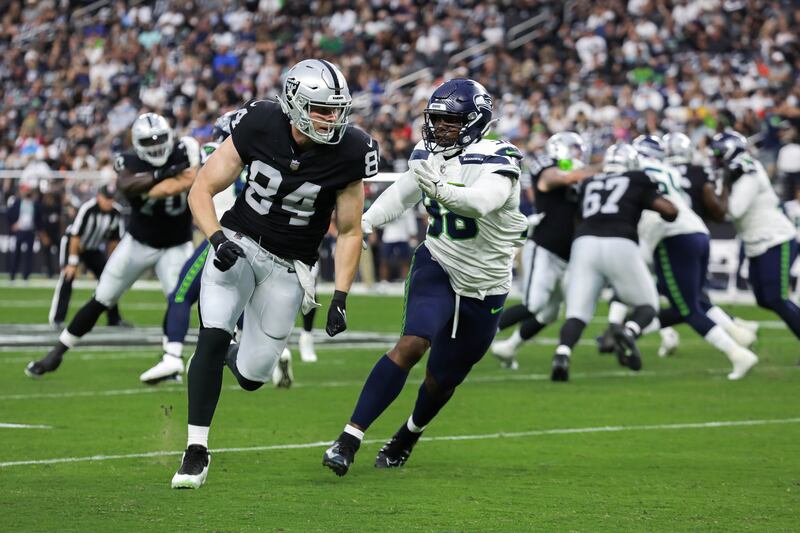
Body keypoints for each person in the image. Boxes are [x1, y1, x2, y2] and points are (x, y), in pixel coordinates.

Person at [171, 59, 377, 489]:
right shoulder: (261, 122)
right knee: (212, 332)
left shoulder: (352, 150)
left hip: (290, 266)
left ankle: (227, 358)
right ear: (295, 104)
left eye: (337, 109)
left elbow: (350, 230)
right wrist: (215, 238)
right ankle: (195, 450)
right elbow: (202, 188)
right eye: (322, 109)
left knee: (251, 377)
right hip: (239, 244)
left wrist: (340, 295)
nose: (332, 118)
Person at [322, 78, 529, 477]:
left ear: (474, 121)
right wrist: (362, 225)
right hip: (439, 263)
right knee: (411, 344)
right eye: (434, 119)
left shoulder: (500, 157)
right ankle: (348, 439)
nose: (438, 129)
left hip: (487, 286)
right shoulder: (429, 154)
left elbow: (480, 205)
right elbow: (401, 194)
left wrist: (436, 185)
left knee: (441, 380)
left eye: (449, 121)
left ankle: (409, 434)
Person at [25, 113, 199, 378]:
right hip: (138, 242)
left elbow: (191, 178)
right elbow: (126, 185)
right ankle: (57, 352)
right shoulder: (128, 160)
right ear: (138, 144)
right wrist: (163, 174)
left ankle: (170, 359)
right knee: (102, 298)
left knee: (179, 300)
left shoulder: (186, 148)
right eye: (149, 141)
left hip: (176, 245)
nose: (155, 145)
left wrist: (156, 180)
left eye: (160, 139)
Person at [632, 135, 758, 379]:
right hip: (698, 233)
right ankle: (736, 332)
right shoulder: (672, 171)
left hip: (671, 236)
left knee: (686, 307)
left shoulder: (640, 172)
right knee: (693, 301)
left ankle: (737, 353)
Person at [550, 143, 677, 382]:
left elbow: (578, 216)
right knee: (648, 306)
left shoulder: (590, 182)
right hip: (621, 242)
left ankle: (562, 353)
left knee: (577, 312)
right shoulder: (637, 178)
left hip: (585, 243)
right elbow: (670, 211)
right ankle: (628, 331)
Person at [491, 131, 594, 369]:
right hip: (544, 246)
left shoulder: (579, 174)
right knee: (535, 304)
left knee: (549, 314)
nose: (579, 154)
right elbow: (555, 179)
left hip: (568, 252)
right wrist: (601, 170)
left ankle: (508, 348)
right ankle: (475, 336)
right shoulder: (548, 165)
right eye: (575, 149)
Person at [705, 131, 800, 346]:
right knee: (764, 299)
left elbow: (735, 210)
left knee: (776, 298)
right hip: (756, 242)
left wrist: (724, 186)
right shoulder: (736, 172)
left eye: (719, 155)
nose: (715, 160)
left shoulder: (749, 171)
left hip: (775, 238)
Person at [48, 184, 127, 330]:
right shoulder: (88, 209)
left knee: (110, 279)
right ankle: (57, 319)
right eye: (106, 199)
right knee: (67, 277)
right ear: (99, 197)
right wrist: (72, 262)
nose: (109, 202)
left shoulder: (116, 213)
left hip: (93, 248)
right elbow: (75, 236)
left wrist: (113, 263)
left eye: (112, 199)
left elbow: (114, 242)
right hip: (74, 245)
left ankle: (114, 319)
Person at [6, 182, 42, 281]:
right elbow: (9, 214)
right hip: (20, 231)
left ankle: (26, 275)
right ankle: (12, 274)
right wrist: (13, 225)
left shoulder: (35, 203)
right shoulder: (17, 202)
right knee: (16, 254)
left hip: (30, 231)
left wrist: (38, 230)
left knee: (28, 255)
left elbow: (39, 218)